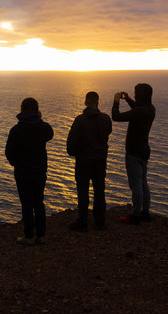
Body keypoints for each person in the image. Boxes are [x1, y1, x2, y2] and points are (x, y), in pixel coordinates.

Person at [5, 98, 54, 245]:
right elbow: (50, 135)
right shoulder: (44, 127)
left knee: (26, 204)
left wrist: (16, 163)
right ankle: (41, 235)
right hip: (39, 170)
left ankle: (29, 236)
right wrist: (39, 118)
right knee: (39, 202)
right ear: (36, 109)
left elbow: (9, 152)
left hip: (22, 172)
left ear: (22, 109)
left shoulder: (16, 130)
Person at [66, 91, 112, 231]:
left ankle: (82, 221)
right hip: (99, 160)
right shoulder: (105, 119)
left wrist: (73, 152)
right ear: (98, 102)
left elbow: (71, 143)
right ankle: (100, 221)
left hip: (83, 161)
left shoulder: (79, 120)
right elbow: (108, 133)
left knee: (83, 191)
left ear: (85, 102)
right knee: (99, 190)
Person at [112, 83, 156, 224]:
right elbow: (137, 110)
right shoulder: (150, 109)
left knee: (135, 185)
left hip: (133, 151)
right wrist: (129, 100)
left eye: (136, 94)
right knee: (143, 182)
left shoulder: (139, 112)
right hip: (144, 150)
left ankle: (135, 216)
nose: (135, 95)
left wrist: (116, 101)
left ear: (141, 95)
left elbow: (116, 116)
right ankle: (145, 212)